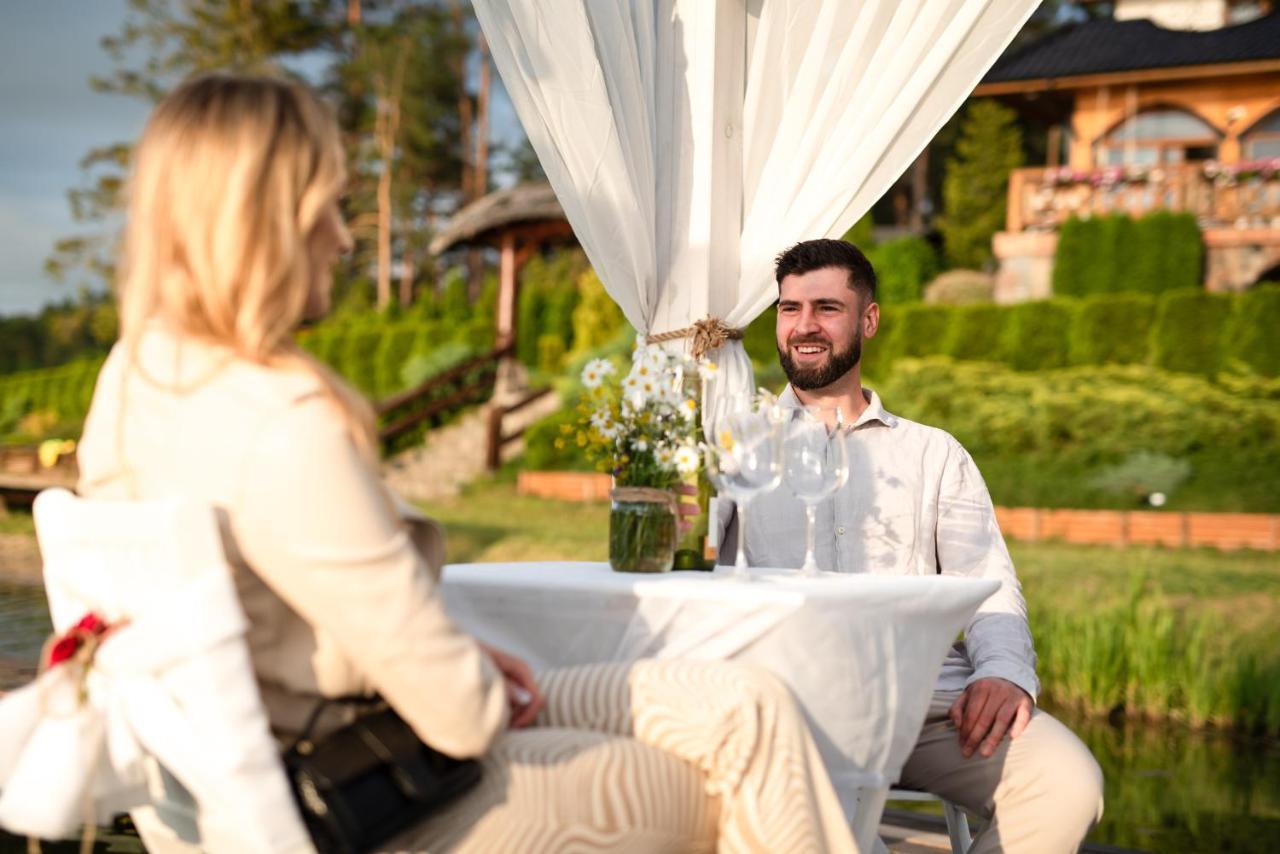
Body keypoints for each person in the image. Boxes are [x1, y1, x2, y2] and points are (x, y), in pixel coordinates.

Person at [76, 74, 857, 853]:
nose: (345, 240)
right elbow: (461, 716)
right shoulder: (283, 427)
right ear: (265, 218)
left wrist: (459, 664)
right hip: (369, 791)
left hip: (271, 767)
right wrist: (461, 677)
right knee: (720, 774)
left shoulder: (133, 382)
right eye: (329, 206)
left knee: (745, 710)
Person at [719, 238, 1104, 853]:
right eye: (789, 309)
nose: (804, 326)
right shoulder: (738, 445)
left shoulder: (933, 452)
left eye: (826, 307)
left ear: (867, 320)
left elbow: (988, 581)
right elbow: (683, 565)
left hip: (926, 703)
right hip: (791, 706)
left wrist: (1006, 673)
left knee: (1068, 784)